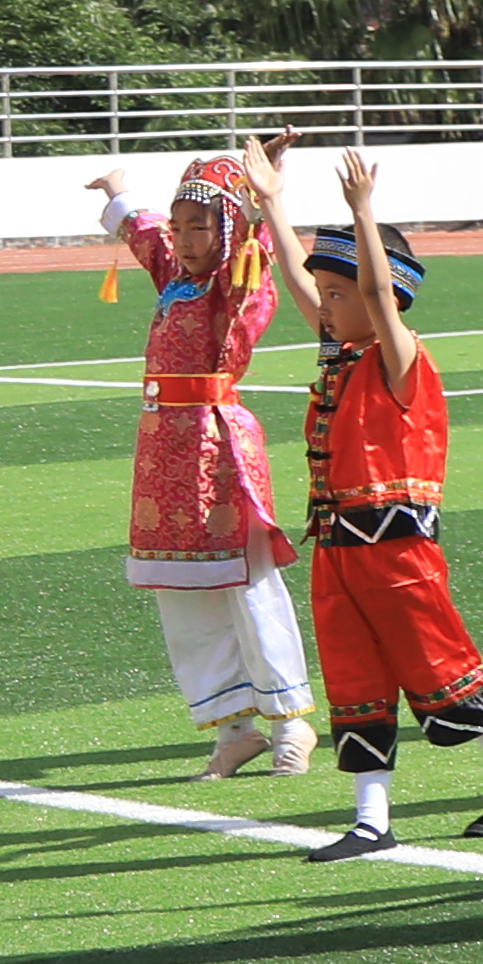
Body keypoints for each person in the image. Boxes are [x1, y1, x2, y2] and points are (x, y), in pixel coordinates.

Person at [281, 149, 483, 854]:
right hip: (337, 545)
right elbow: (306, 285)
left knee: (439, 661)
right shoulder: (339, 355)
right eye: (329, 298)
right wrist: (269, 205)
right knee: (354, 678)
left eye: (340, 295)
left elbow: (371, 297)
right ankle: (371, 820)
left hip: (396, 547)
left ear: (386, 297)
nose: (328, 308)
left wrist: (363, 213)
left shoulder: (400, 358)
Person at [90, 144, 309, 772]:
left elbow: (255, 254)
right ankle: (233, 726)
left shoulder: (231, 284)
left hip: (219, 448)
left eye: (200, 226)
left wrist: (258, 195)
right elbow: (145, 234)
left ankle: (291, 721)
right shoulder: (176, 277)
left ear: (227, 229)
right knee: (181, 589)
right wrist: (116, 190)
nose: (183, 240)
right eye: (179, 227)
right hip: (163, 450)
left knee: (248, 583)